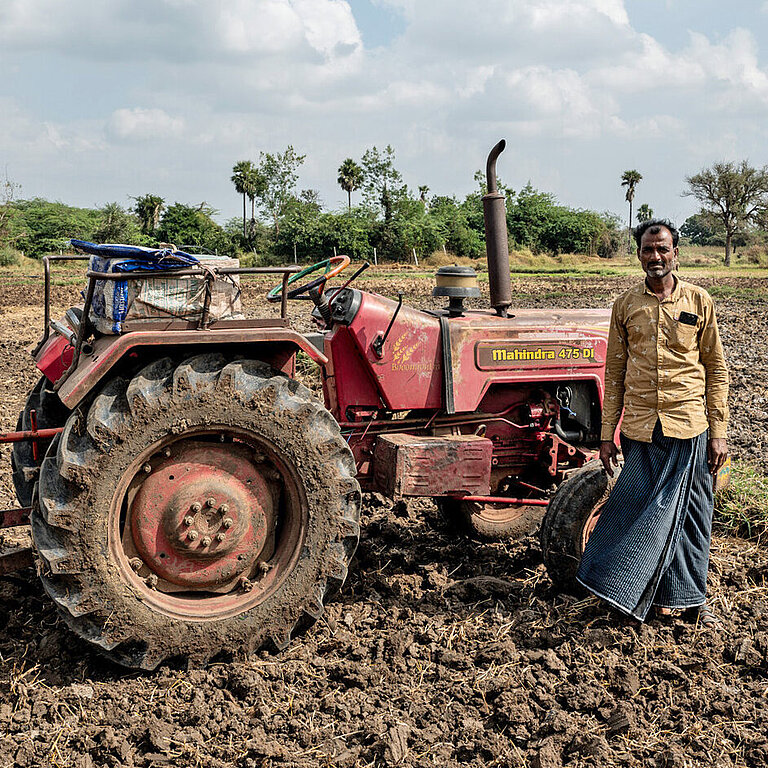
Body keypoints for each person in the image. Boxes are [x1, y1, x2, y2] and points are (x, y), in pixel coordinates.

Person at [576, 218, 729, 625]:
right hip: (641, 428)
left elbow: (715, 369)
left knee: (691, 514)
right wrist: (606, 434)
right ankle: (623, 593)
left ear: (676, 253)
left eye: (662, 249)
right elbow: (614, 372)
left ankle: (687, 599)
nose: (655, 257)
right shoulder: (626, 305)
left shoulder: (699, 302)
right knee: (631, 510)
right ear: (639, 254)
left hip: (689, 426)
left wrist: (719, 432)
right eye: (647, 249)